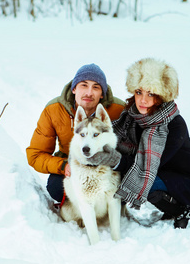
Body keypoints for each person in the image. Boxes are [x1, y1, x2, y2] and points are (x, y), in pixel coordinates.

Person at [89, 58, 190, 229]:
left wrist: (115, 160)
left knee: (139, 179)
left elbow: (147, 167)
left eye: (151, 94)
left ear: (162, 96)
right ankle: (168, 203)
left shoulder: (173, 124)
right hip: (167, 175)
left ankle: (180, 210)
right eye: (139, 92)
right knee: (131, 176)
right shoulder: (133, 118)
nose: (143, 100)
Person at [26, 63, 125, 204]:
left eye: (96, 87)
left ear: (102, 94)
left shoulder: (119, 110)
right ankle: (78, 206)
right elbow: (35, 155)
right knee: (56, 188)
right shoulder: (53, 110)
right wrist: (63, 165)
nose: (89, 93)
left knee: (125, 185)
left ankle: (111, 208)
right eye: (84, 85)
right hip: (73, 164)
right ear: (74, 88)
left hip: (107, 166)